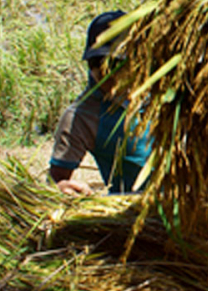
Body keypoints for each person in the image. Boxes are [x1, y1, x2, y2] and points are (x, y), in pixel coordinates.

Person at [49, 11, 152, 196]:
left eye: (116, 64)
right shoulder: (81, 117)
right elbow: (54, 183)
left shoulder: (166, 89)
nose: (107, 75)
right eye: (98, 63)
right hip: (138, 214)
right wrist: (61, 188)